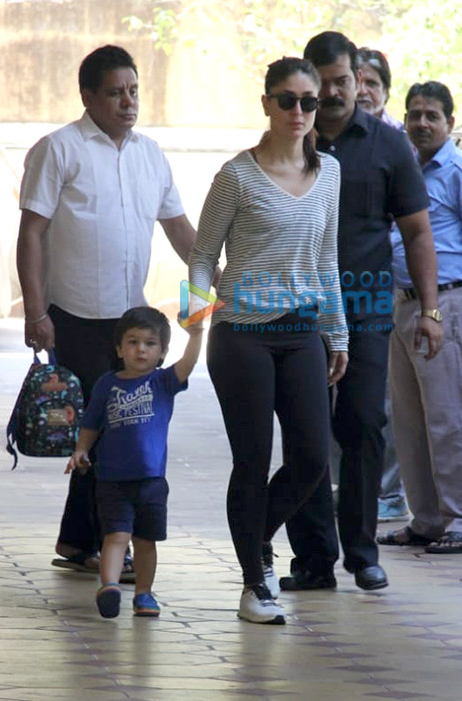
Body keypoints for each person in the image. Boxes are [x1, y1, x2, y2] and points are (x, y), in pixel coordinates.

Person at [17, 45, 197, 575]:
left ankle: (80, 539)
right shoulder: (58, 149)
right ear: (88, 95)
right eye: (116, 92)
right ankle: (92, 538)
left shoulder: (150, 154)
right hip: (73, 314)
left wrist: (215, 279)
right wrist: (35, 312)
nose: (127, 102)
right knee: (100, 428)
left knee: (115, 429)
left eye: (134, 91)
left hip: (129, 321)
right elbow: (31, 233)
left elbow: (179, 228)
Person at [279, 32, 442, 593]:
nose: (332, 93)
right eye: (320, 84)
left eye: (342, 81)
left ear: (358, 78)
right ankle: (313, 559)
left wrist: (431, 311)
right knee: (304, 431)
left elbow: (418, 232)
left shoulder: (387, 146)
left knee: (363, 425)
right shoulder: (288, 141)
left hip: (367, 304)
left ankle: (363, 552)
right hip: (298, 308)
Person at [189, 57, 349, 624]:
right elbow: (203, 258)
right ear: (266, 104)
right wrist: (193, 332)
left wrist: (338, 333)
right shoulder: (236, 175)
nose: (300, 112)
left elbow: (327, 257)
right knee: (252, 460)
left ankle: (257, 537)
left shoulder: (329, 173)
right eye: (288, 100)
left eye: (311, 102)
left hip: (302, 330)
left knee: (310, 458)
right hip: (242, 336)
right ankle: (254, 584)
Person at [378, 81, 462, 553]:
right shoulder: (402, 170)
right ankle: (427, 519)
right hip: (400, 303)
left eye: (432, 115)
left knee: (448, 418)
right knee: (408, 420)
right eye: (414, 115)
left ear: (450, 122)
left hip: (447, 303)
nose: (422, 123)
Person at [66, 307, 202, 618]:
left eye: (150, 343)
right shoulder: (106, 384)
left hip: (152, 481)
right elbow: (91, 422)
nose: (141, 349)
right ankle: (110, 587)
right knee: (115, 536)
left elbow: (189, 363)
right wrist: (81, 450)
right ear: (119, 349)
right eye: (132, 342)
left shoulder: (164, 382)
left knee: (145, 541)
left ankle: (144, 593)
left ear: (163, 351)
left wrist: (197, 335)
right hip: (111, 480)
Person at [355, 46, 409, 522]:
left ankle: (388, 492)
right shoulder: (326, 138)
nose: (364, 90)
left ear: (385, 91)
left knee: (381, 400)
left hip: (388, 285)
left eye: (373, 82)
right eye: (358, 81)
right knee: (338, 393)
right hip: (342, 288)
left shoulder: (396, 142)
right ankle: (344, 487)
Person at [356, 47, 403, 130]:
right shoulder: (333, 132)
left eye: (371, 84)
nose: (362, 91)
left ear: (385, 91)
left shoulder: (400, 134)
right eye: (357, 82)